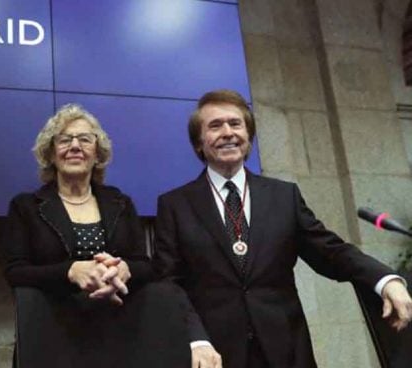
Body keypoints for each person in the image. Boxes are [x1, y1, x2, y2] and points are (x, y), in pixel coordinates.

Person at [153, 89, 412, 368]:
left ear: (249, 137)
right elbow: (169, 283)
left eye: (235, 123)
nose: (227, 132)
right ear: (199, 144)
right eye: (215, 126)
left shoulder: (283, 196)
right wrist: (195, 339)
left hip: (286, 350)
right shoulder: (175, 205)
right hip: (213, 354)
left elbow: (331, 251)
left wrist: (386, 280)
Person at [2, 104, 157, 366]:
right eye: (64, 140)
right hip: (48, 335)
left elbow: (146, 266)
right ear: (51, 153)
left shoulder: (121, 202)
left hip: (116, 334)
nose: (75, 146)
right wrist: (70, 271)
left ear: (97, 153)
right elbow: (15, 272)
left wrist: (125, 270)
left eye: (85, 139)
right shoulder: (25, 206)